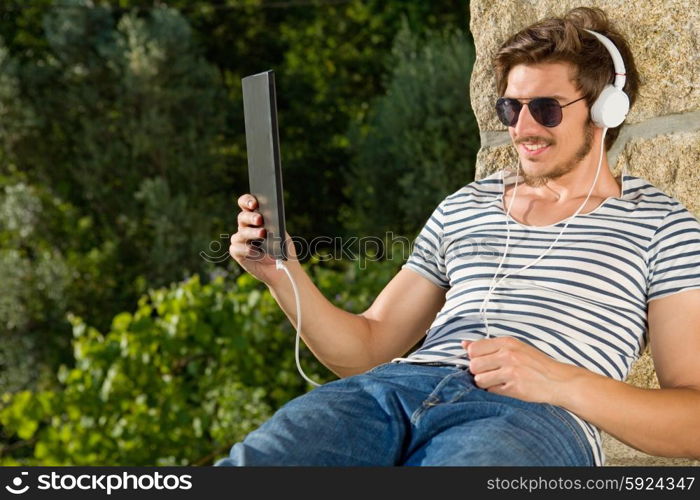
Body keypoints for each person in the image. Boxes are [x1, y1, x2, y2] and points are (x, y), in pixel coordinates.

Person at [218, 7, 700, 466]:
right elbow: (367, 349)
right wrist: (282, 275)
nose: (523, 127)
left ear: (605, 110)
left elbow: (693, 421)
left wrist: (558, 381)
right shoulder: (466, 205)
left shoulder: (662, 227)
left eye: (546, 109)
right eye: (511, 108)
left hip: (533, 419)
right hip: (392, 394)